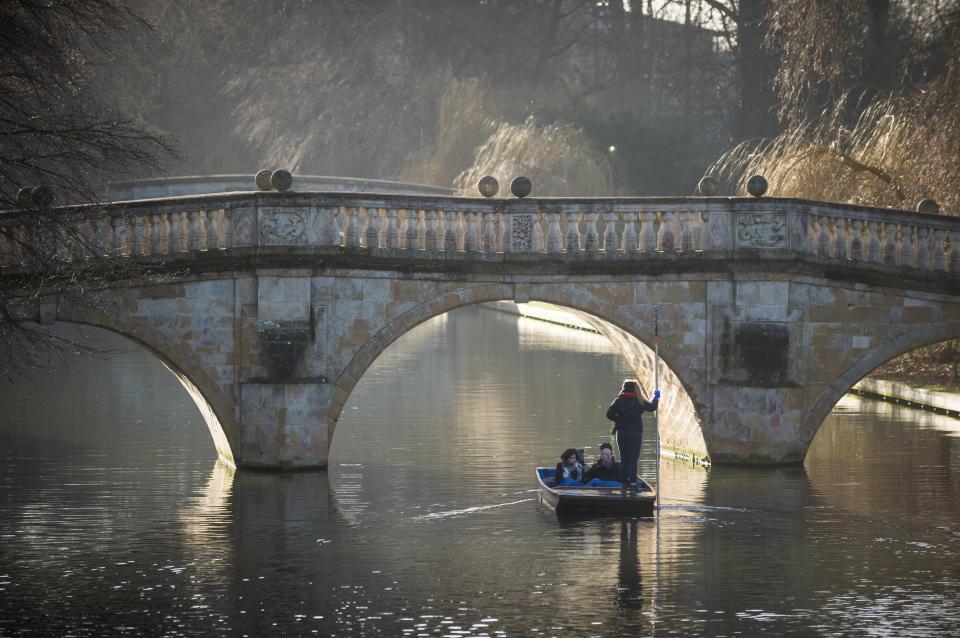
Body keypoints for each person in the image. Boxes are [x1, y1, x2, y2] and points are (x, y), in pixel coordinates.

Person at [606, 379, 659, 490]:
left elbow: (609, 414)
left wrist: (619, 420)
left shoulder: (618, 400)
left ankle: (624, 484)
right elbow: (652, 407)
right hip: (635, 433)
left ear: (624, 388)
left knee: (624, 459)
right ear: (636, 389)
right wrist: (656, 397)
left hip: (622, 433)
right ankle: (633, 484)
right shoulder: (639, 400)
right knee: (633, 460)